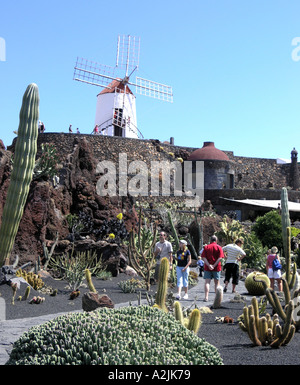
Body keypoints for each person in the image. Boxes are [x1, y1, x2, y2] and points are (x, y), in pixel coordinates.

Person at [201, 235, 224, 301]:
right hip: (216, 268)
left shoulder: (206, 247)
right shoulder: (219, 247)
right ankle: (217, 298)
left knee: (207, 282)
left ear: (210, 240)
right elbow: (220, 258)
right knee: (216, 283)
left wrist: (209, 265)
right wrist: (214, 265)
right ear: (216, 241)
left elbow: (203, 257)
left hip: (207, 268)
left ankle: (206, 297)